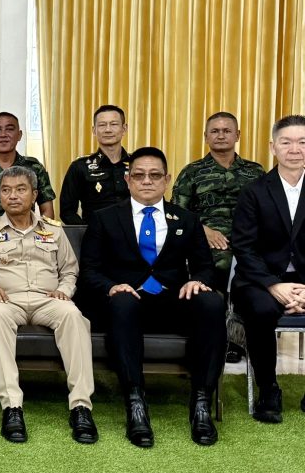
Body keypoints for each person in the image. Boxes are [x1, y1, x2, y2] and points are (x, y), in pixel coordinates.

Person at [78, 147, 226, 447]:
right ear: (128, 179)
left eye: (155, 175)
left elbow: (205, 267)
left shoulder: (186, 219)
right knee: (123, 302)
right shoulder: (105, 218)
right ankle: (136, 404)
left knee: (212, 302)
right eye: (139, 175)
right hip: (125, 302)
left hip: (172, 300)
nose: (147, 181)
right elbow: (89, 270)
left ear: (166, 180)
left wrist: (197, 281)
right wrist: (111, 286)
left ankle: (201, 403)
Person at [0, 166, 96, 444]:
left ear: (34, 195)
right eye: (6, 190)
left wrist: (64, 291)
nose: (13, 196)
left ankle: (81, 407)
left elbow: (70, 270)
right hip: (9, 300)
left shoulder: (53, 230)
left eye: (20, 189)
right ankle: (12, 407)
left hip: (49, 299)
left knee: (73, 316)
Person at [173, 112, 265, 362]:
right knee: (218, 266)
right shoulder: (192, 172)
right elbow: (177, 213)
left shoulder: (255, 171)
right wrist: (204, 230)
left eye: (226, 130)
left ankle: (238, 340)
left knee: (251, 271)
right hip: (205, 241)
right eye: (215, 131)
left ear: (238, 135)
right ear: (205, 137)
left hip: (249, 241)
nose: (221, 135)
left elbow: (268, 210)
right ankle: (216, 338)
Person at [231, 114, 305, 423]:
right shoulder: (254, 191)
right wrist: (273, 285)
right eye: (286, 142)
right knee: (260, 309)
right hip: (259, 279)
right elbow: (243, 247)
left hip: (303, 281)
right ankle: (268, 388)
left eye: (302, 142)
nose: (295, 149)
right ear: (273, 147)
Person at [59, 105, 131, 224]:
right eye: (102, 125)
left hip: (134, 233)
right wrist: (88, 231)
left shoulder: (137, 164)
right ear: (94, 130)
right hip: (95, 233)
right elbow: (67, 211)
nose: (108, 130)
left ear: (124, 129)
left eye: (114, 124)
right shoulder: (80, 166)